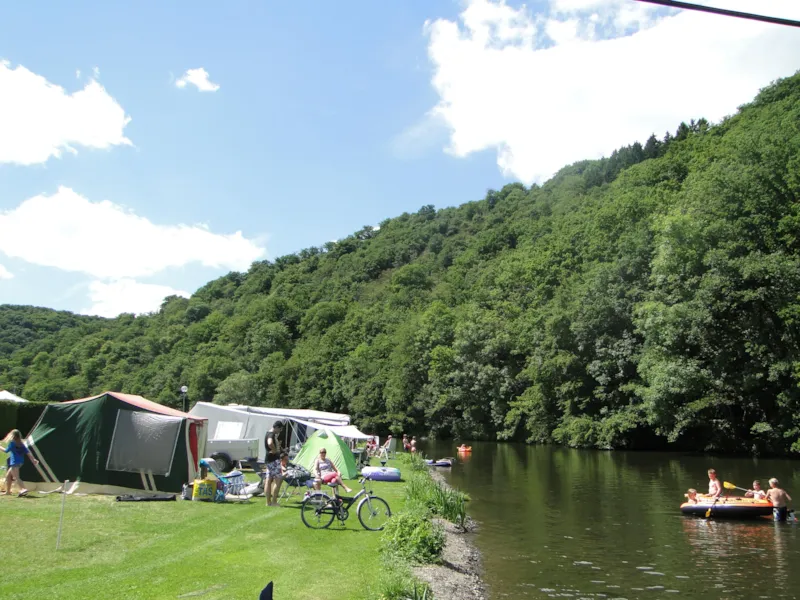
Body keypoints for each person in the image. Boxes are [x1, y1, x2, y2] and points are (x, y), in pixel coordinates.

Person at [1, 429, 39, 497]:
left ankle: (23, 489)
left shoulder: (12, 443)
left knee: (16, 477)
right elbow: (28, 453)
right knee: (8, 476)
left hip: (14, 462)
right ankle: (8, 492)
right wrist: (33, 459)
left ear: (12, 436)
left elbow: (6, 451)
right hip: (20, 462)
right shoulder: (21, 444)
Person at [263, 421, 284, 507]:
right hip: (274, 460)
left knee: (268, 480)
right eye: (280, 429)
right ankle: (274, 502)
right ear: (277, 427)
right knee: (278, 480)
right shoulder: (271, 434)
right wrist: (275, 450)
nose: (279, 431)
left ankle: (268, 502)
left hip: (268, 460)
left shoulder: (267, 433)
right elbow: (270, 443)